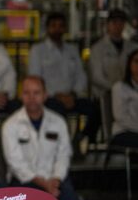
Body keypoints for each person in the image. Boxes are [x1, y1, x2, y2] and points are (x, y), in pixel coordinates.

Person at [1, 76, 77, 200]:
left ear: (45, 95)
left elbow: (64, 155)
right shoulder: (10, 125)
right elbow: (15, 163)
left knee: (69, 198)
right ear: (21, 96)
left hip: (55, 179)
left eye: (36, 93)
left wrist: (55, 180)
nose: (31, 98)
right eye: (27, 93)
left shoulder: (58, 122)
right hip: (24, 180)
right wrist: (44, 184)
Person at [28, 12, 96, 148]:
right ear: (47, 28)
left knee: (95, 109)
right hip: (48, 97)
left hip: (71, 96)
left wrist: (73, 94)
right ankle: (62, 147)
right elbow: (35, 77)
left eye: (61, 26)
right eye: (53, 26)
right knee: (57, 109)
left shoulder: (72, 50)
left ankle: (80, 138)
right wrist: (57, 95)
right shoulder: (38, 50)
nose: (57, 29)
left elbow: (81, 76)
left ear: (65, 29)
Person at [90, 8, 138, 99]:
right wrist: (117, 89)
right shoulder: (97, 49)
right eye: (114, 22)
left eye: (121, 23)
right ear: (108, 24)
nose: (118, 26)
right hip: (104, 96)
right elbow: (96, 77)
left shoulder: (133, 47)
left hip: (130, 96)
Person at [110, 48, 138, 147]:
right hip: (124, 131)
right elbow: (120, 117)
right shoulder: (119, 87)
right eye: (136, 61)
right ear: (129, 64)